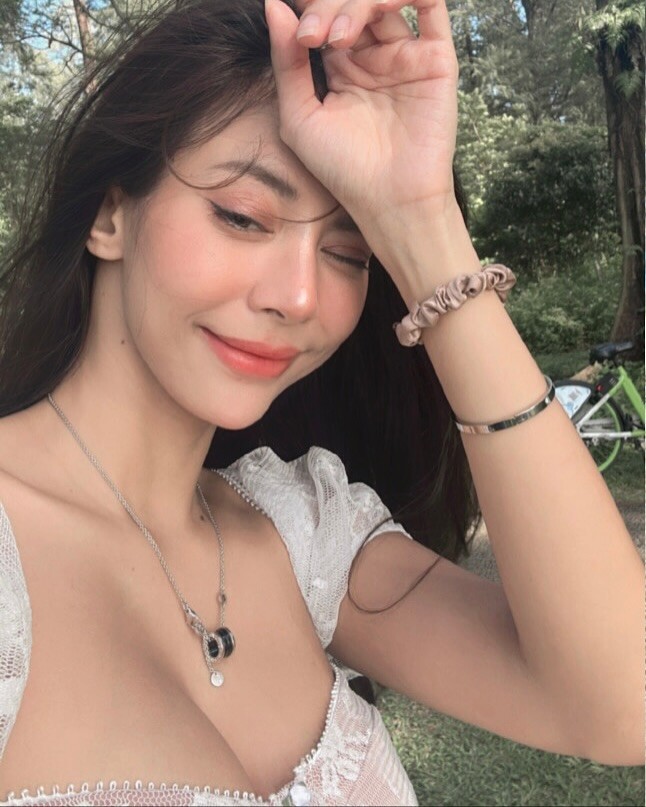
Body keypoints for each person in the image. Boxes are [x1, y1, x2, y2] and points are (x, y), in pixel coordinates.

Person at [0, 0, 641, 804]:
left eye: (347, 251)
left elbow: (621, 702)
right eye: (242, 216)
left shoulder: (305, 533)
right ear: (109, 213)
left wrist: (422, 222)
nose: (299, 295)